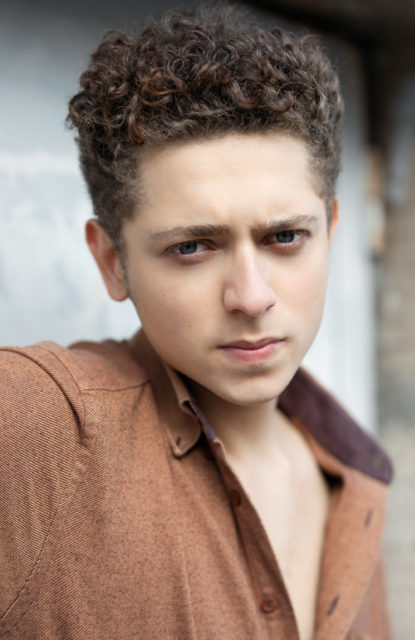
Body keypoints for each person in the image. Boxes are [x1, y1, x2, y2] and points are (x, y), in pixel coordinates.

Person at [0, 3, 393, 639]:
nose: (252, 297)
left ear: (331, 230)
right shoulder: (44, 426)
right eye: (191, 247)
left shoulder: (357, 482)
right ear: (112, 262)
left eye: (285, 237)